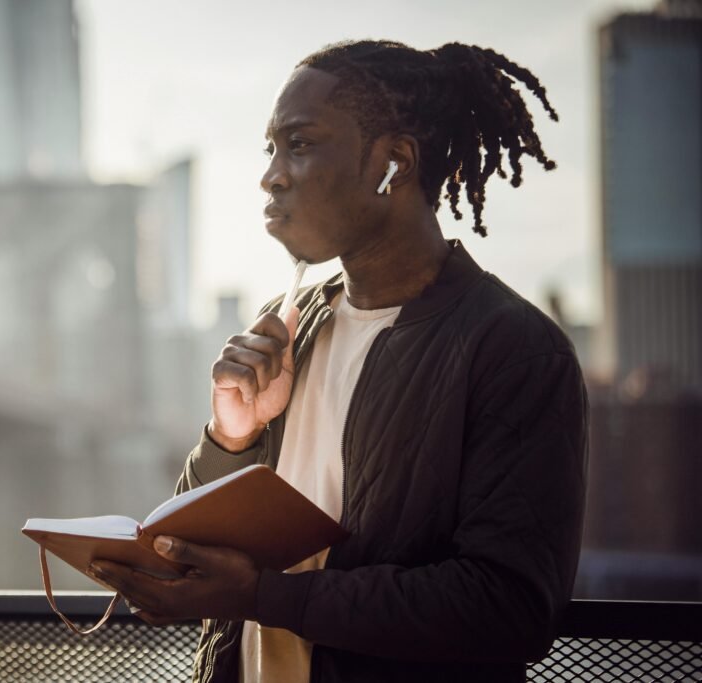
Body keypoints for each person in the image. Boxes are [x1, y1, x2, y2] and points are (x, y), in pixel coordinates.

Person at [89, 39, 588, 683]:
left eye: (299, 144)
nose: (270, 174)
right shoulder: (292, 325)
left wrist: (264, 597)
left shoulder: (513, 348)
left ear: (393, 163)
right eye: (270, 148)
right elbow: (196, 553)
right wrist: (230, 438)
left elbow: (509, 608)